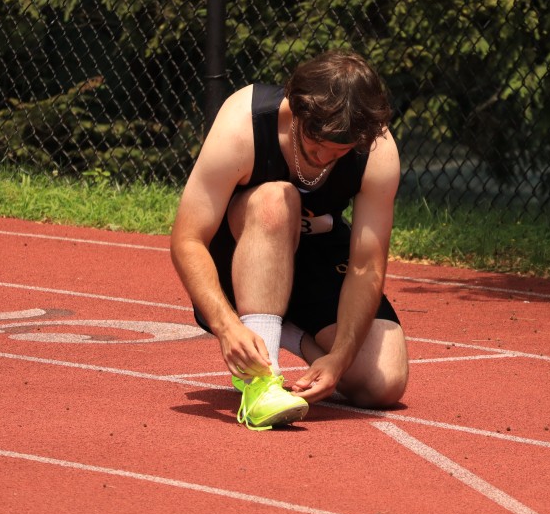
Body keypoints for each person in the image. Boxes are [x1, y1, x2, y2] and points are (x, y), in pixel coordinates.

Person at [170, 49, 408, 430]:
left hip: (315, 253)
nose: (325, 157)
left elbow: (366, 265)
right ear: (296, 111)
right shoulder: (243, 123)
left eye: (339, 151)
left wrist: (340, 358)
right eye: (315, 143)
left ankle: (289, 333)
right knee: (277, 200)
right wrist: (226, 326)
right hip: (242, 253)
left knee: (382, 383)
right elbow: (187, 238)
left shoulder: (376, 150)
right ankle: (260, 383)